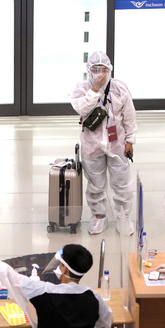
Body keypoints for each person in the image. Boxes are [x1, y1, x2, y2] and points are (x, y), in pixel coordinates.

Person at [0, 235, 113, 328]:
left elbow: (6, 271)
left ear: (64, 268)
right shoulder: (94, 298)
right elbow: (106, 323)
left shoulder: (42, 291)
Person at [70, 51, 138, 235]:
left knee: (122, 183)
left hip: (117, 143)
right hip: (92, 145)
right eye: (95, 69)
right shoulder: (82, 89)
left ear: (110, 69)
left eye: (104, 69)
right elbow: (81, 107)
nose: (100, 73)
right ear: (88, 70)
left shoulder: (119, 88)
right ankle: (99, 216)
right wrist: (95, 90)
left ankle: (123, 216)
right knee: (95, 183)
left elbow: (129, 116)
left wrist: (130, 139)